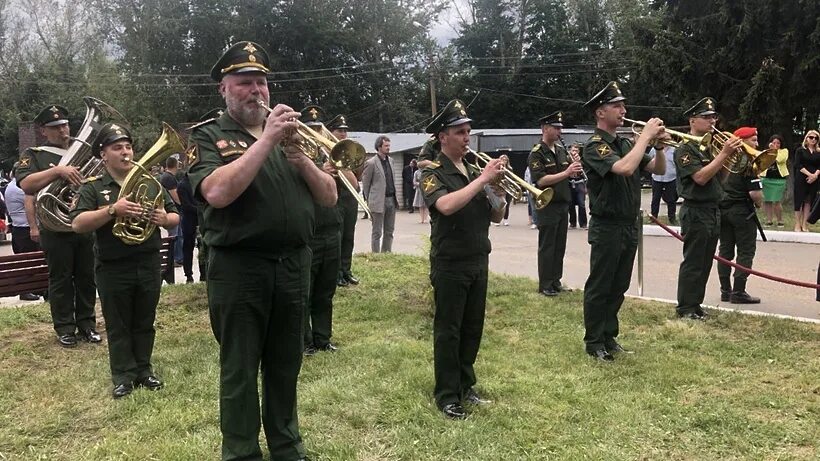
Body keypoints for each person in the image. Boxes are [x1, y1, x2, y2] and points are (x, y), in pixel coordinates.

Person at [187, 41, 336, 461]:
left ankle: (287, 445)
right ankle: (241, 451)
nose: (257, 91)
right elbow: (216, 192)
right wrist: (267, 142)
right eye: (245, 83)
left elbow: (327, 198)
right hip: (239, 268)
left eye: (262, 83)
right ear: (224, 89)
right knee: (239, 367)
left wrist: (301, 159)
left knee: (286, 362)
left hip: (293, 264)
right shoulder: (209, 136)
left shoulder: (293, 138)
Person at [70, 123, 179, 399]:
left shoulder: (148, 182)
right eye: (117, 148)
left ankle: (144, 370)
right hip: (113, 266)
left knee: (145, 319)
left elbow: (175, 215)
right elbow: (78, 224)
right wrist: (112, 210)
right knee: (118, 323)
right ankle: (123, 376)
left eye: (128, 147)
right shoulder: (93, 187)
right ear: (103, 154)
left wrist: (164, 219)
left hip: (148, 261)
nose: (125, 152)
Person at [420, 99, 506, 419]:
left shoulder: (472, 170)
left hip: (477, 259)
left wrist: (498, 188)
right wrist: (482, 180)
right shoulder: (433, 173)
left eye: (468, 131)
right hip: (450, 263)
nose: (467, 137)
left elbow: (498, 216)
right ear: (443, 137)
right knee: (449, 330)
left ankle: (465, 385)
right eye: (459, 132)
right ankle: (446, 394)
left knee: (472, 328)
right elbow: (445, 206)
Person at [581, 81, 669, 361]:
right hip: (607, 224)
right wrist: (645, 137)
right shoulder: (595, 146)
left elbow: (657, 169)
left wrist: (659, 148)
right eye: (616, 106)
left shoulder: (624, 142)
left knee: (619, 284)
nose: (623, 110)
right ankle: (594, 341)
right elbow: (623, 168)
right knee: (601, 284)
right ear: (600, 113)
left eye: (623, 105)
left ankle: (609, 335)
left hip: (629, 223)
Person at [17, 104, 100, 348]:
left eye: (64, 125)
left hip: (82, 223)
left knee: (87, 276)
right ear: (44, 131)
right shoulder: (35, 154)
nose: (62, 130)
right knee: (61, 278)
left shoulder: (84, 152)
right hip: (55, 227)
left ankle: (87, 324)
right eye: (55, 128)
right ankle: (64, 327)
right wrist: (59, 172)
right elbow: (26, 185)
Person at [673, 97, 741, 320]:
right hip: (695, 210)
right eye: (706, 117)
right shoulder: (685, 148)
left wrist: (729, 159)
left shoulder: (710, 146)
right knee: (693, 261)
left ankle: (695, 304)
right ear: (693, 120)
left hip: (713, 209)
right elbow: (700, 178)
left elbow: (719, 178)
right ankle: (685, 307)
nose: (712, 121)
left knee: (705, 261)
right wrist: (723, 154)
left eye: (713, 117)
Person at [300, 104, 342, 355]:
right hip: (311, 231)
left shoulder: (329, 154)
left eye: (319, 127)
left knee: (326, 290)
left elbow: (354, 183)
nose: (317, 132)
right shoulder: (299, 157)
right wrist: (319, 172)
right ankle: (304, 340)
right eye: (312, 128)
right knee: (305, 291)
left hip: (332, 229)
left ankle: (323, 338)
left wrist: (338, 164)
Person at [528, 111, 582, 296]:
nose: (560, 131)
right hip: (548, 204)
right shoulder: (537, 154)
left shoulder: (560, 150)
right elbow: (541, 181)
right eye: (556, 128)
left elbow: (569, 175)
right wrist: (566, 173)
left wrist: (574, 170)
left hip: (562, 202)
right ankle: (545, 284)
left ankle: (556, 281)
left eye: (560, 128)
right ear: (545, 129)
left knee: (559, 246)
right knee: (548, 246)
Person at [717, 127, 764, 304]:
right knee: (745, 251)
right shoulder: (749, 162)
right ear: (742, 141)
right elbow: (755, 194)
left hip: (723, 210)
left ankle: (725, 291)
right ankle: (738, 291)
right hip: (742, 212)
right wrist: (759, 204)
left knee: (725, 250)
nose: (757, 144)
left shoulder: (724, 159)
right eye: (753, 140)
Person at [327, 114, 361, 287]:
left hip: (350, 196)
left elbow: (357, 176)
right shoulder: (325, 149)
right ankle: (336, 273)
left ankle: (346, 270)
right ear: (330, 131)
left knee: (349, 235)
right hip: (336, 196)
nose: (343, 134)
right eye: (339, 130)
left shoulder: (349, 150)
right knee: (338, 236)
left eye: (345, 131)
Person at [5, 164, 42, 300]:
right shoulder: (19, 189)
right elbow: (36, 201)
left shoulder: (11, 186)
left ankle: (34, 289)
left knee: (29, 261)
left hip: (19, 228)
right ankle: (26, 291)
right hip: (25, 229)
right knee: (28, 261)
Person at [361, 135, 397, 253]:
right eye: (386, 146)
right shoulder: (371, 163)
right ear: (379, 147)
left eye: (389, 145)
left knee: (389, 231)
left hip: (391, 199)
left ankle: (386, 253)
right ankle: (376, 256)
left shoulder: (391, 161)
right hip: (377, 201)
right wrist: (368, 201)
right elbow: (366, 184)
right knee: (377, 232)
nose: (388, 148)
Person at [793, 130, 820, 232]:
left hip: (814, 179)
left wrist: (815, 175)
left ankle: (804, 224)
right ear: (807, 138)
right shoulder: (800, 150)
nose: (813, 139)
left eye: (816, 138)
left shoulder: (818, 152)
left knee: (808, 201)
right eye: (811, 137)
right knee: (799, 201)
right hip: (801, 177)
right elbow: (797, 164)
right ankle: (797, 224)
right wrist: (809, 175)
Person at [759, 134, 789, 227]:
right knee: (767, 200)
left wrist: (774, 150)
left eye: (778, 143)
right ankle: (769, 220)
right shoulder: (765, 151)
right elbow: (762, 161)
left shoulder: (784, 151)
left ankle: (780, 220)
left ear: (781, 144)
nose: (776, 144)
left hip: (779, 180)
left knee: (777, 200)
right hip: (766, 178)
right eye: (774, 142)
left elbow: (780, 159)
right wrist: (769, 151)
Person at [160, 156, 182, 268]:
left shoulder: (165, 176)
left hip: (170, 211)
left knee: (175, 235)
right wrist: (183, 205)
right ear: (176, 165)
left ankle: (175, 258)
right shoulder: (169, 178)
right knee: (176, 236)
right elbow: (175, 196)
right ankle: (176, 259)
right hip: (173, 210)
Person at [650, 145, 678, 224]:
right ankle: (653, 218)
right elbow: (649, 159)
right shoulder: (654, 149)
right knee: (655, 199)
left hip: (671, 178)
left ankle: (672, 218)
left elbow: (677, 163)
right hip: (657, 178)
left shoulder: (674, 150)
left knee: (671, 199)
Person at [567, 143, 588, 229]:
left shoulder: (582, 160)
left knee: (581, 203)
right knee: (570, 204)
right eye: (573, 150)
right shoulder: (567, 159)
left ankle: (583, 223)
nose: (574, 152)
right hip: (570, 182)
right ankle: (572, 223)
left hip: (579, 182)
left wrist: (578, 162)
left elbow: (585, 171)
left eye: (576, 150)